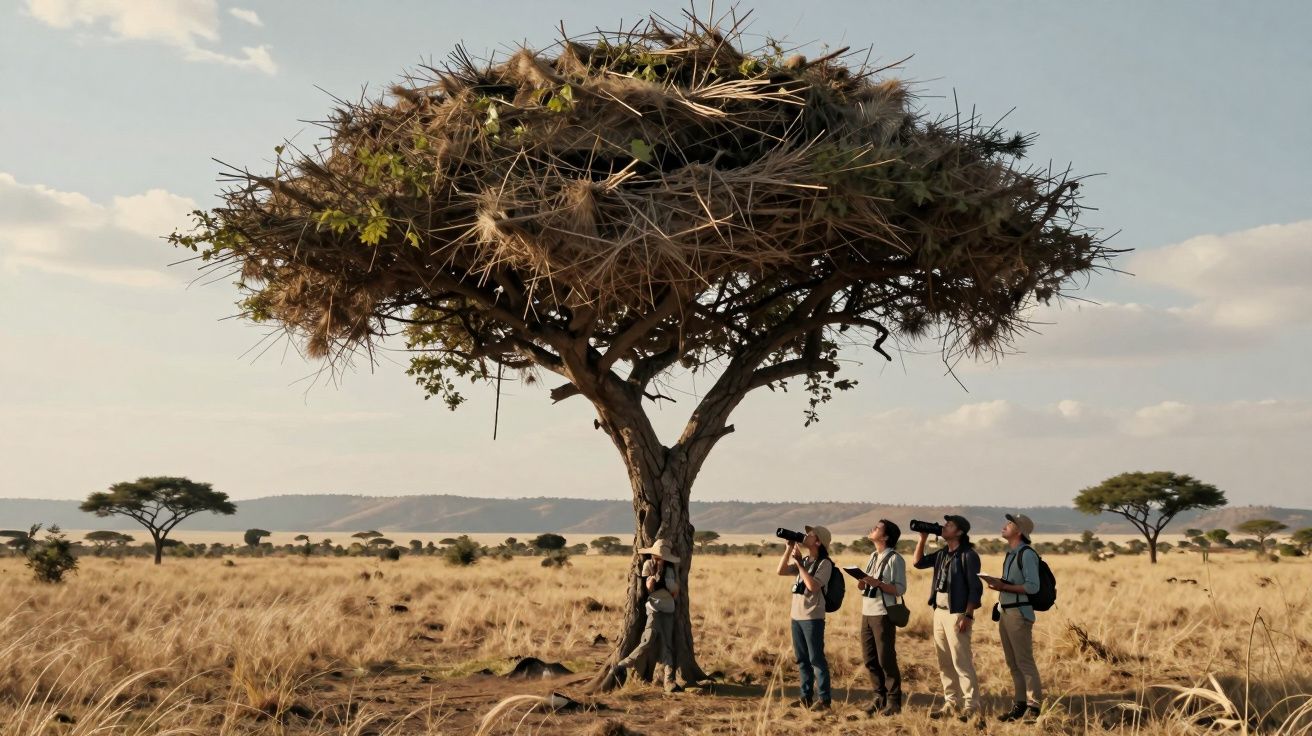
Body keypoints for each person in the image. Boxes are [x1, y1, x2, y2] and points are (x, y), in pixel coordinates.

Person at [913, 514, 983, 722]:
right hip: (940, 611)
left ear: (959, 532)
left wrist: (968, 614)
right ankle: (951, 703)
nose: (944, 527)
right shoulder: (943, 553)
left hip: (957, 613)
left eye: (949, 525)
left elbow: (975, 588)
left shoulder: (969, 555)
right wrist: (922, 538)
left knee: (961, 661)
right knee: (944, 661)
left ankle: (972, 705)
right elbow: (918, 562)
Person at [985, 513, 1044, 723]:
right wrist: (999, 584)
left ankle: (1034, 708)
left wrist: (1003, 586)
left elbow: (1032, 587)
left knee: (1024, 662)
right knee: (1013, 663)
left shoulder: (1027, 554)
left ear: (1019, 531)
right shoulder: (1011, 554)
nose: (1005, 526)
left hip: (1019, 613)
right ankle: (1019, 706)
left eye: (1010, 524)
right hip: (1006, 612)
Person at [612, 539, 682, 692]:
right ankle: (623, 665)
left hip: (668, 609)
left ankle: (669, 683)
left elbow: (674, 591)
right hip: (654, 609)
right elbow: (649, 589)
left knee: (668, 645)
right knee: (648, 639)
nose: (659, 559)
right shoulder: (648, 566)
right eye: (657, 556)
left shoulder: (670, 570)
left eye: (661, 557)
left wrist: (671, 587)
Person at [777, 525, 834, 710]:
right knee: (802, 659)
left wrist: (801, 564)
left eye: (811, 534)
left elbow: (813, 586)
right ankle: (806, 697)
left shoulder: (825, 563)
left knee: (816, 659)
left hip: (812, 617)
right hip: (796, 616)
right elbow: (781, 570)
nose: (806, 535)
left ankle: (824, 700)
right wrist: (788, 548)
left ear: (818, 541)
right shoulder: (807, 559)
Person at [856, 519, 907, 716]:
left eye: (877, 528)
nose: (873, 529)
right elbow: (866, 584)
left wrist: (878, 584)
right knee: (869, 658)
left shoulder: (895, 559)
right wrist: (863, 582)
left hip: (883, 614)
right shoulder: (872, 556)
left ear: (885, 536)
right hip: (867, 612)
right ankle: (879, 698)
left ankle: (894, 703)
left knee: (886, 658)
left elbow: (900, 589)